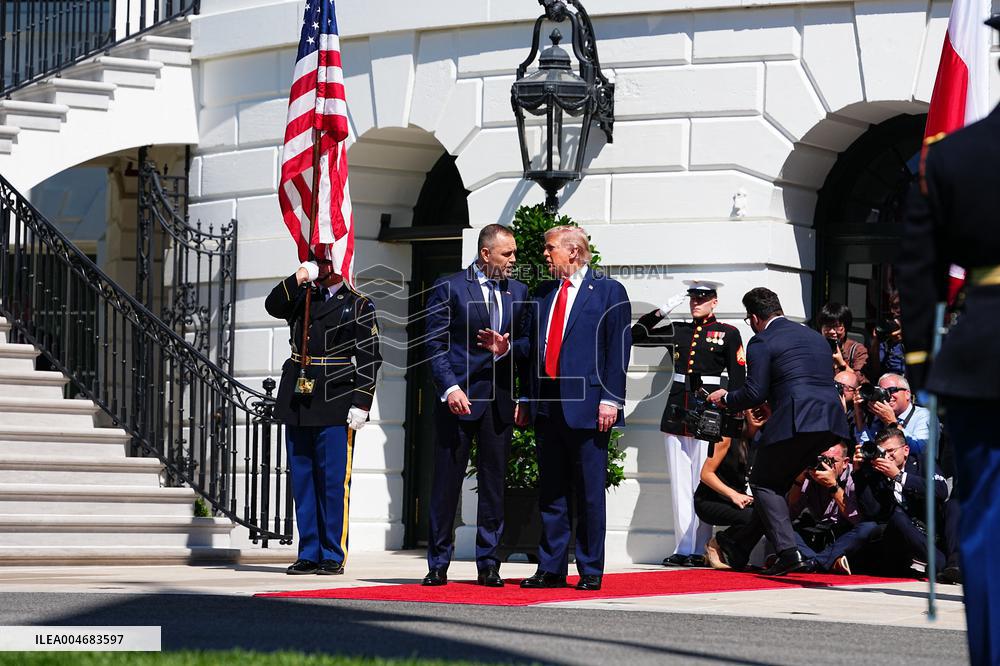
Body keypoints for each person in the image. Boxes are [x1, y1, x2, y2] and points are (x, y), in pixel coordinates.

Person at [897, 16, 1000, 657]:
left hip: (985, 358)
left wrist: (924, 365)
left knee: (989, 524)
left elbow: (917, 276)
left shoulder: (952, 157)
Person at [518, 225, 631, 592]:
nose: (545, 255)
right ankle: (550, 569)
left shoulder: (609, 291)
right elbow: (533, 349)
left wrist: (611, 399)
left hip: (589, 406)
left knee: (588, 492)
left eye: (550, 248)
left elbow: (618, 351)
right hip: (547, 405)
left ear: (574, 252)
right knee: (551, 490)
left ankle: (590, 569)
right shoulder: (544, 293)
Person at [706, 287, 850, 575]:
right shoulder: (815, 337)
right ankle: (736, 545)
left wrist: (726, 398)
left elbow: (755, 392)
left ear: (755, 317)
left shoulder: (762, 341)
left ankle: (788, 553)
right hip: (831, 422)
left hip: (797, 420)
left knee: (763, 482)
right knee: (776, 486)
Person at [421, 224, 530, 588]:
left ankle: (489, 563)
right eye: (507, 254)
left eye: (513, 253)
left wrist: (509, 348)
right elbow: (434, 346)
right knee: (446, 485)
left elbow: (527, 344)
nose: (514, 260)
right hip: (458, 401)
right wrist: (450, 388)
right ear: (486, 254)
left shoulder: (519, 292)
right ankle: (438, 563)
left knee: (494, 486)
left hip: (498, 402)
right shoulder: (449, 286)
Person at [265, 256, 381, 575]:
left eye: (327, 260)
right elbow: (272, 304)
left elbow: (370, 358)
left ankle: (332, 552)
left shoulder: (358, 304)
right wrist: (300, 275)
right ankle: (309, 551)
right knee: (302, 479)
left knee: (332, 482)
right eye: (318, 260)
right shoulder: (302, 295)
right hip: (298, 397)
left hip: (335, 398)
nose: (322, 265)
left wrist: (362, 403)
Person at [631, 280, 746, 567]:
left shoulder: (728, 334)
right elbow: (636, 335)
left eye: (703, 299)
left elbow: (738, 378)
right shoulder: (678, 330)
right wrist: (665, 309)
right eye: (693, 298)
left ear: (714, 302)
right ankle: (683, 548)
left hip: (708, 413)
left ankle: (699, 549)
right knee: (680, 483)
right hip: (677, 411)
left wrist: (728, 411)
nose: (696, 303)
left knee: (700, 482)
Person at [851, 428, 959, 582]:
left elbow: (941, 491)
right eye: (883, 452)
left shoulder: (923, 461)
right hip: (902, 533)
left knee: (954, 505)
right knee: (897, 517)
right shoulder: (876, 472)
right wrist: (858, 473)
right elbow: (873, 512)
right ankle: (943, 566)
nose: (887, 456)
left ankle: (955, 564)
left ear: (906, 450)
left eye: (891, 450)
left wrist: (899, 476)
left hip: (932, 525)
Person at [788, 442, 877, 574]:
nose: (826, 466)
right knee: (777, 522)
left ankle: (811, 562)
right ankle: (825, 561)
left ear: (845, 462)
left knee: (868, 527)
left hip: (843, 536)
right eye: (823, 460)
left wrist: (833, 486)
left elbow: (857, 519)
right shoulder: (812, 473)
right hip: (815, 533)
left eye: (832, 461)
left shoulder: (854, 476)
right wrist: (799, 480)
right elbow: (790, 512)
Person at [856, 373, 930, 457]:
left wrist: (891, 422)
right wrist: (859, 412)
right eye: (882, 391)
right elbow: (867, 448)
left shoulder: (924, 415)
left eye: (892, 390)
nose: (887, 396)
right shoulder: (879, 417)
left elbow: (921, 451)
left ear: (907, 394)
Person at [817, 302, 868, 384]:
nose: (832, 332)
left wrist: (842, 364)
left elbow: (862, 383)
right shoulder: (814, 347)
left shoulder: (857, 350)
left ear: (846, 327)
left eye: (837, 327)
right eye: (828, 326)